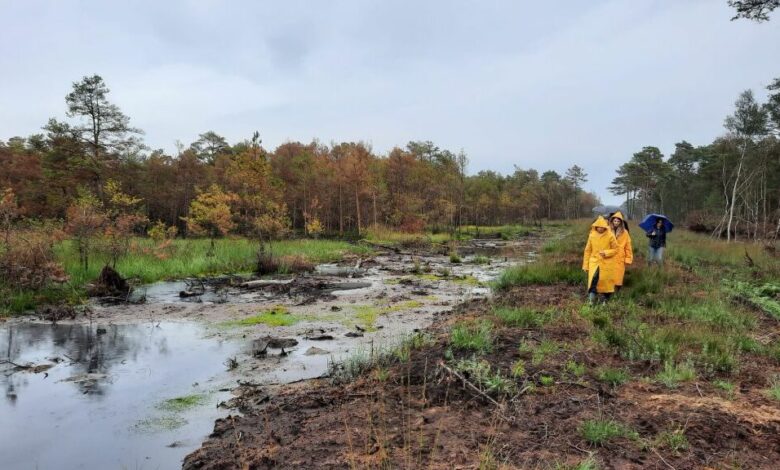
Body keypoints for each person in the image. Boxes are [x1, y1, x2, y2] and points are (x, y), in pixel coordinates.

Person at [582, 216, 619, 304]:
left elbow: (616, 249)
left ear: (605, 227)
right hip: (594, 262)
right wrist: (585, 265)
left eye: (602, 227)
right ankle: (591, 299)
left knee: (606, 281)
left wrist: (606, 253)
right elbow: (587, 251)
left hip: (607, 262)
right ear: (596, 226)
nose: (600, 229)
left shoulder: (610, 235)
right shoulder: (591, 235)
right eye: (599, 227)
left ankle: (605, 299)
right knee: (593, 279)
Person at [609, 211, 633, 290]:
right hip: (610, 255)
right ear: (612, 221)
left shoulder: (625, 232)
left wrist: (628, 258)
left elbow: (628, 246)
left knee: (619, 274)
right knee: (609, 273)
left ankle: (617, 290)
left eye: (618, 221)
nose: (616, 222)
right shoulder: (608, 231)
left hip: (620, 256)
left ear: (621, 222)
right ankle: (608, 290)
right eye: (615, 221)